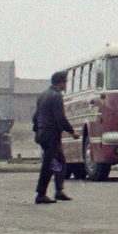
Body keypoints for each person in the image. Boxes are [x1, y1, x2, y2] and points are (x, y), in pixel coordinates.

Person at [32, 71, 76, 204]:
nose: (65, 85)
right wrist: (72, 131)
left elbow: (35, 116)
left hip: (43, 133)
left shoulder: (43, 95)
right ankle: (41, 193)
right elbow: (60, 118)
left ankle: (59, 190)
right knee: (50, 164)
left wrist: (37, 131)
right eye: (65, 82)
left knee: (59, 161)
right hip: (51, 134)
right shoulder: (56, 96)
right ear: (61, 82)